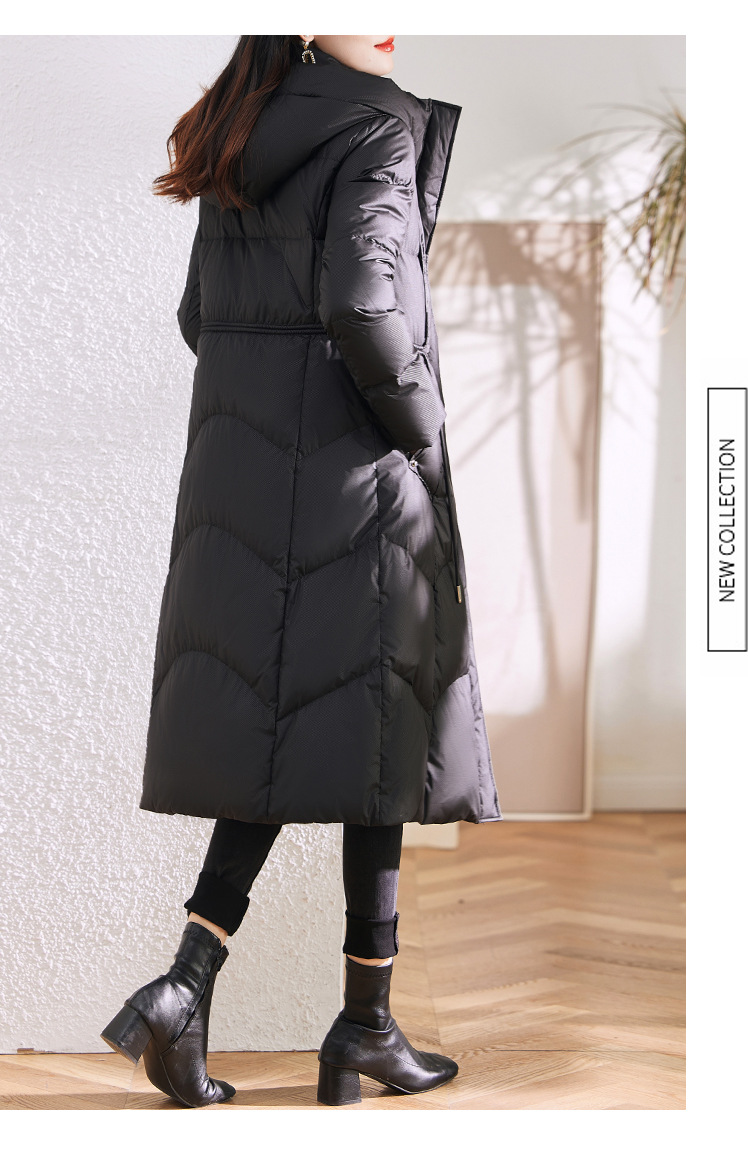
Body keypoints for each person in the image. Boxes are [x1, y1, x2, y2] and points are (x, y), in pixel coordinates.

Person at [100, 34, 501, 1108]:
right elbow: (367, 308)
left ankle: (197, 991)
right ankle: (358, 1024)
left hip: (250, 469)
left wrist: (279, 402)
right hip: (357, 471)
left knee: (316, 728)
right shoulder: (376, 121)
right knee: (380, 724)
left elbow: (200, 315)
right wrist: (421, 435)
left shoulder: (237, 124)